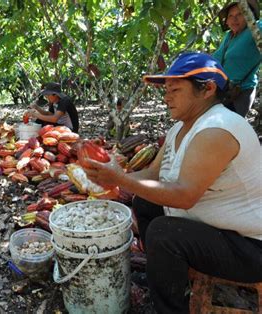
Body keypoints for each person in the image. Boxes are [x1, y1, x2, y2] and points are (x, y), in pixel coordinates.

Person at [82, 52, 262, 314]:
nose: (166, 97)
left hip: (249, 248)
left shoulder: (218, 129)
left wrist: (119, 178)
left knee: (164, 234)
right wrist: (110, 180)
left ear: (207, 89)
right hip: (216, 228)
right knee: (144, 201)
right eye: (165, 90)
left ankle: (169, 308)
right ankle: (162, 271)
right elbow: (153, 177)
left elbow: (185, 196)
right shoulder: (180, 128)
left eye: (175, 89)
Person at [213, 0, 261, 117]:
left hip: (241, 91)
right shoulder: (228, 36)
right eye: (231, 16)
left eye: (240, 14)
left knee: (228, 127)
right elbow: (216, 59)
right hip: (221, 90)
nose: (234, 19)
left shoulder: (256, 28)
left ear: (248, 16)